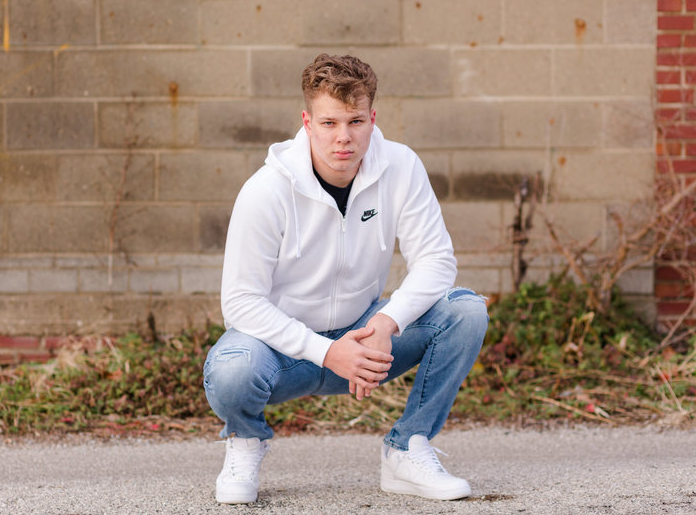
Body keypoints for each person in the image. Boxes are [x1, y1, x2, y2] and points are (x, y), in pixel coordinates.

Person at [203, 53, 488, 504]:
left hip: (364, 338)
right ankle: (245, 439)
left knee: (465, 311)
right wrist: (326, 351)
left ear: (372, 118)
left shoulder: (400, 166)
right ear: (307, 121)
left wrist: (387, 323)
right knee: (231, 369)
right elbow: (240, 303)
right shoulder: (267, 190)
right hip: (281, 354)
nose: (344, 138)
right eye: (330, 123)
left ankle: (407, 449)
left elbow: (436, 261)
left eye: (355, 121)